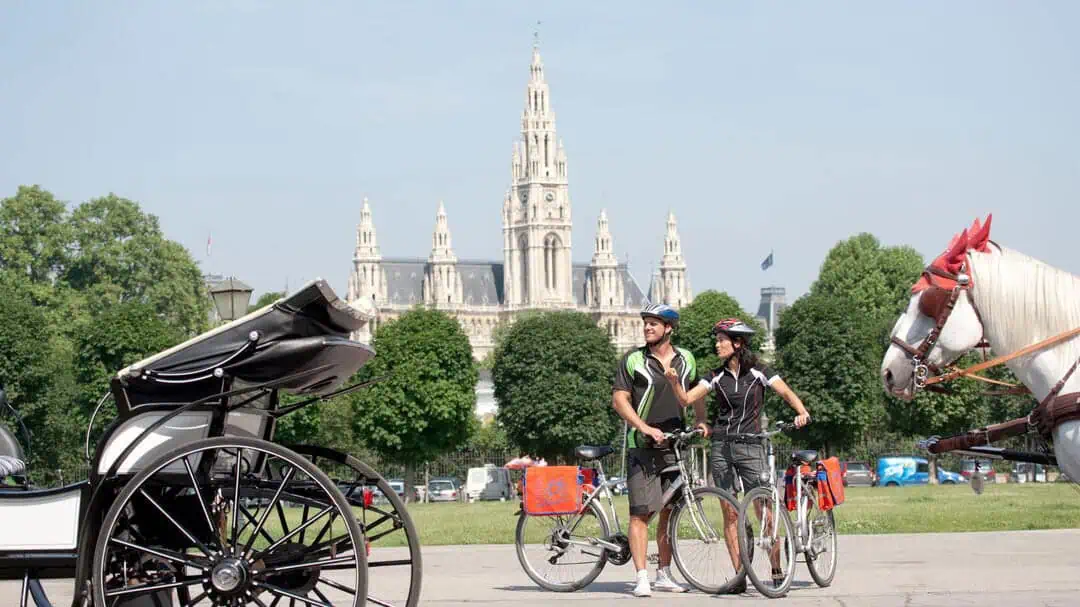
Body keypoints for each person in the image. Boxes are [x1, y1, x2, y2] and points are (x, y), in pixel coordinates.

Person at [663, 318, 810, 593]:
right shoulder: (715, 375)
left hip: (751, 446)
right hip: (721, 447)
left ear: (738, 343)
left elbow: (786, 392)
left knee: (764, 508)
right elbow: (686, 399)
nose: (717, 344)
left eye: (722, 340)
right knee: (729, 513)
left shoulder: (759, 371)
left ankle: (776, 567)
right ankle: (738, 576)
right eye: (717, 339)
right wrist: (674, 383)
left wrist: (801, 412)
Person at [612, 303, 710, 597]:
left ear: (669, 328)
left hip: (674, 446)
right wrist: (642, 427)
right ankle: (642, 576)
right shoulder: (633, 360)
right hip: (642, 447)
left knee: (669, 512)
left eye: (653, 324)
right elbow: (619, 400)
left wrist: (702, 420)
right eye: (645, 324)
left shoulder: (686, 359)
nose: (647, 328)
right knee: (641, 514)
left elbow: (696, 394)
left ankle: (664, 573)